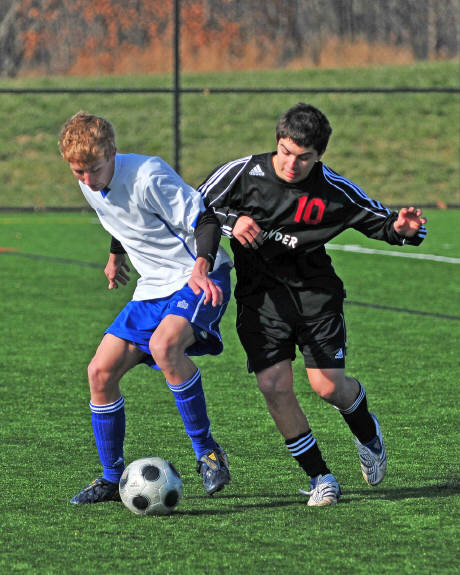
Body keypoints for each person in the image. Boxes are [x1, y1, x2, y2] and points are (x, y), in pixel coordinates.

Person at [198, 102, 427, 506]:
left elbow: (382, 222)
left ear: (319, 155)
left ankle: (367, 433)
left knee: (327, 386)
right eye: (285, 152)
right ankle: (321, 477)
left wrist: (404, 229)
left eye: (303, 157)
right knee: (273, 385)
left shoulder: (333, 189)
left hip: (314, 297)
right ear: (277, 142)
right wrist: (233, 223)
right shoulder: (242, 172)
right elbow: (194, 207)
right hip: (261, 300)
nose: (291, 164)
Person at [58, 111, 233, 504]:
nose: (87, 179)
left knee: (164, 346)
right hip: (151, 288)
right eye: (78, 172)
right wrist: (116, 255)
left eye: (94, 169)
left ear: (112, 153)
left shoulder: (149, 175)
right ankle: (111, 477)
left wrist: (201, 267)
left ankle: (208, 452)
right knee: (99, 372)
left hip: (196, 275)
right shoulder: (90, 182)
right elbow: (118, 217)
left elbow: (205, 219)